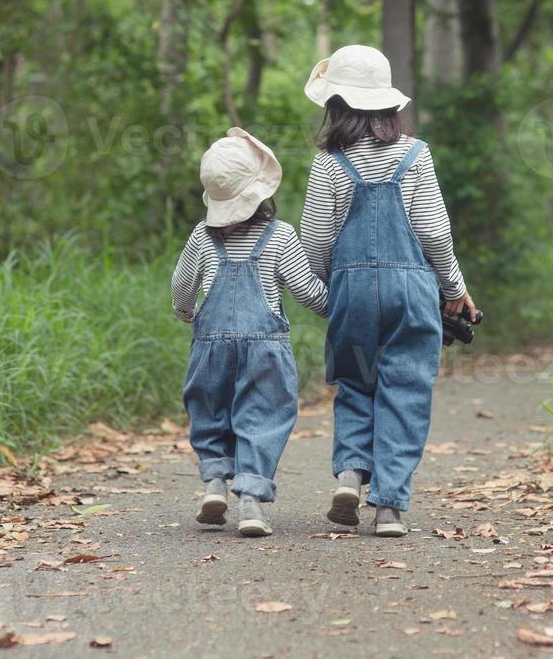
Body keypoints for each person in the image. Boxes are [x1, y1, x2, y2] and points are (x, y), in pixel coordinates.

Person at [300, 45, 477, 537]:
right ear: (388, 104)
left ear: (336, 105)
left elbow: (315, 238)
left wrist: (332, 291)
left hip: (350, 290)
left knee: (356, 383)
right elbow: (435, 233)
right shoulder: (415, 155)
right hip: (412, 291)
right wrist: (455, 289)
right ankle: (389, 508)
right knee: (405, 390)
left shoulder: (329, 163)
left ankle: (351, 476)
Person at [171, 128, 328, 537]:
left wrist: (186, 311)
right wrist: (335, 309)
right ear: (261, 192)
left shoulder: (201, 238)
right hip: (265, 350)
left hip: (211, 347)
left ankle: (214, 486)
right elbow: (308, 290)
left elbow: (182, 285)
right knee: (263, 417)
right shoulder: (281, 236)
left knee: (209, 411)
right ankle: (251, 502)